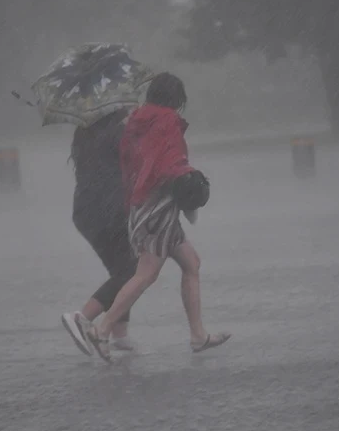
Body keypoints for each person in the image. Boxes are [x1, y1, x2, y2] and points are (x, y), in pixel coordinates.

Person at [84, 72, 230, 361]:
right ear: (176, 98)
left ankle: (198, 336)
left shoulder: (136, 123)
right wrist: (190, 179)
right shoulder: (166, 122)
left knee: (191, 262)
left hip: (142, 205)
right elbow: (169, 162)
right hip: (158, 207)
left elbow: (137, 165)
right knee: (146, 274)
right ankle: (101, 330)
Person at [60, 109, 138, 355]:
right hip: (108, 211)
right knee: (131, 272)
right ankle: (82, 317)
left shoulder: (84, 132)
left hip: (85, 211)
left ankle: (120, 335)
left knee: (121, 269)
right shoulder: (118, 133)